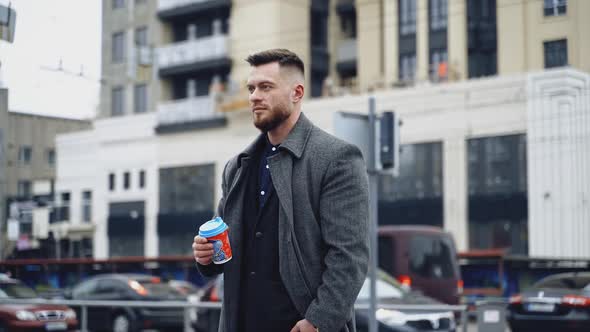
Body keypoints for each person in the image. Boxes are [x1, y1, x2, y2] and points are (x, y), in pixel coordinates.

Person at [193, 49, 369, 332]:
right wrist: (206, 255)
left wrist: (318, 321)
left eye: (265, 87)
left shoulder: (337, 158)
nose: (254, 96)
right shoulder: (237, 167)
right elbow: (223, 251)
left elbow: (349, 256)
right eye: (251, 88)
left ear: (296, 93)